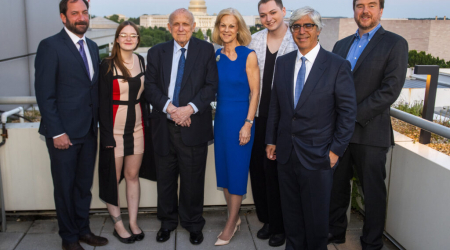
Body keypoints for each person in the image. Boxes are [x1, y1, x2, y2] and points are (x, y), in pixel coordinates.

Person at [265, 6, 357, 250]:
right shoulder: (283, 63)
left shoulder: (337, 65)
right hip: (285, 153)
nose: (301, 31)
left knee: (316, 222)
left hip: (319, 156)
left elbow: (348, 114)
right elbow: (276, 104)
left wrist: (335, 151)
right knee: (291, 217)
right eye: (296, 26)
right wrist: (271, 140)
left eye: (308, 26)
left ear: (319, 30)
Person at [328, 0, 408, 249]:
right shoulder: (340, 45)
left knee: (372, 193)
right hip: (339, 134)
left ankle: (372, 242)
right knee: (336, 187)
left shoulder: (395, 43)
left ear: (381, 10)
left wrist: (350, 116)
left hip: (370, 131)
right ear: (354, 10)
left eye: (371, 5)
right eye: (360, 5)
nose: (365, 10)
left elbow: (390, 90)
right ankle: (335, 232)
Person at [34, 1, 108, 249]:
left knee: (83, 186)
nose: (81, 17)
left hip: (88, 130)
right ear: (63, 17)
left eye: (84, 12)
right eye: (75, 13)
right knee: (65, 188)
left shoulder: (92, 46)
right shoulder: (50, 46)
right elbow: (45, 94)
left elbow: (92, 88)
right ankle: (68, 238)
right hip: (63, 133)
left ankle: (83, 230)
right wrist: (57, 131)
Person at [144, 8, 218, 245]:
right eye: (176, 24)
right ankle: (167, 223)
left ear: (194, 26)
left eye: (186, 23)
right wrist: (172, 109)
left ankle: (193, 224)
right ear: (169, 27)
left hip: (194, 126)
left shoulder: (206, 50)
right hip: (164, 127)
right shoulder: (156, 52)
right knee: (165, 180)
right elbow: (151, 87)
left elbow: (210, 85)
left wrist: (188, 109)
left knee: (193, 180)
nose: (181, 28)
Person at [98, 21, 156, 244]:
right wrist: (106, 136)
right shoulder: (107, 64)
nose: (129, 39)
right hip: (114, 132)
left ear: (138, 39)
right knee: (113, 179)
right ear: (117, 39)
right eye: (124, 35)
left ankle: (132, 222)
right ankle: (118, 224)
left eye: (133, 35)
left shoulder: (141, 61)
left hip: (138, 130)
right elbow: (102, 104)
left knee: (132, 176)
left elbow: (146, 95)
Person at [247, 0, 296, 246]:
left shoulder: (297, 38)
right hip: (257, 116)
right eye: (263, 15)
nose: (269, 18)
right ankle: (266, 219)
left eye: (273, 12)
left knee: (278, 173)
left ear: (284, 11)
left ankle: (281, 225)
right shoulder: (254, 40)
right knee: (258, 170)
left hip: (285, 119)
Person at [213, 8, 260, 246]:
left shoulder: (248, 55)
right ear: (218, 28)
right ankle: (235, 216)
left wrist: (248, 124)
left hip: (241, 119)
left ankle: (231, 223)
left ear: (238, 28)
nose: (227, 30)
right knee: (224, 169)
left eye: (231, 26)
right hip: (220, 120)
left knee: (238, 170)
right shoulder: (215, 56)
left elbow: (255, 92)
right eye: (223, 25)